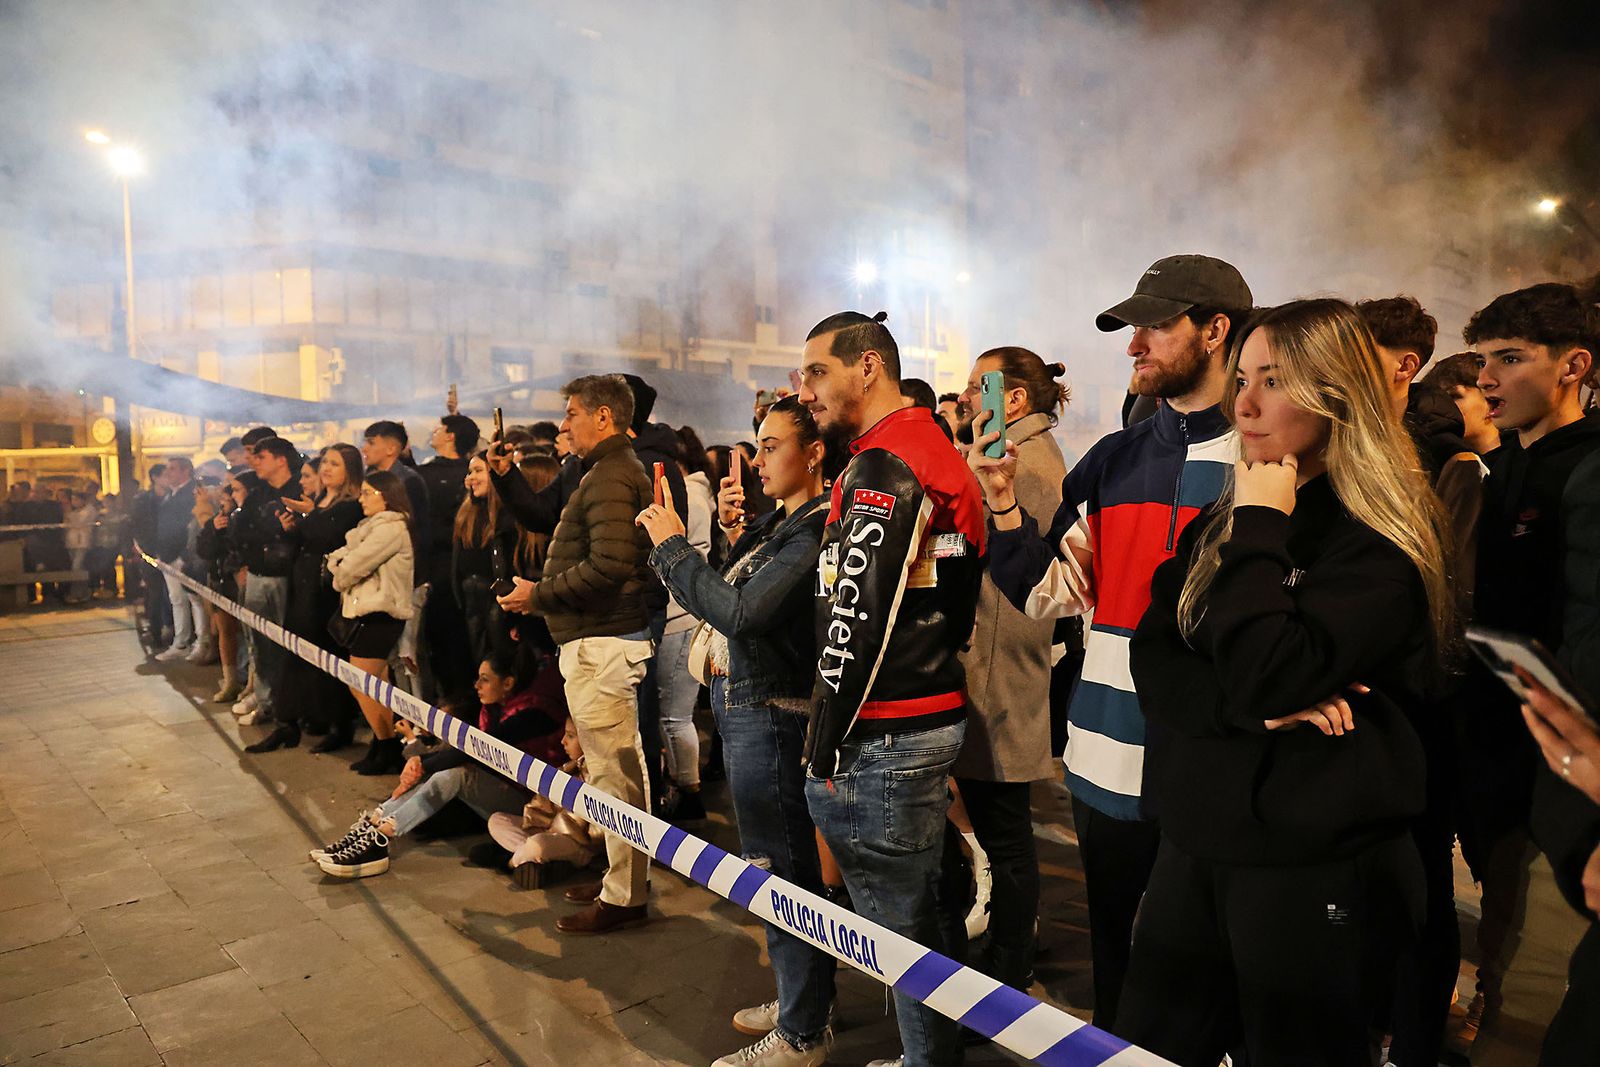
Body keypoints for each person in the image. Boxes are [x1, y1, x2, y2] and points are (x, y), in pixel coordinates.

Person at [1120, 298, 1454, 1063]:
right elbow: (1155, 656)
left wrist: (1262, 528)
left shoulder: (1380, 539)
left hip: (1312, 864)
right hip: (1195, 842)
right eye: (1242, 378)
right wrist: (1245, 709)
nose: (1243, 404)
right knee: (1148, 1047)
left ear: (1339, 394)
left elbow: (1266, 671)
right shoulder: (1227, 514)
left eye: (1273, 380)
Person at [977, 254, 1251, 1029]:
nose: (1134, 345)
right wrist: (1002, 503)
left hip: (1215, 767)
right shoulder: (1113, 459)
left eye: (1155, 326)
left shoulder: (1265, 458)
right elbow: (1047, 591)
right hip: (1101, 759)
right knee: (1117, 975)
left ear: (1215, 330)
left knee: (1208, 978)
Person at [797, 311, 985, 1067]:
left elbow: (856, 618)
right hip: (916, 712)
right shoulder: (917, 449)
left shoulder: (890, 462)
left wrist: (824, 740)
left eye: (817, 372)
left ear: (867, 366)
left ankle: (927, 1061)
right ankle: (931, 1055)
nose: (804, 391)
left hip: (884, 725)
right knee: (923, 917)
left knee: (902, 934)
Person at [640, 395, 837, 1067]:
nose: (758, 460)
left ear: (815, 453)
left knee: (782, 874)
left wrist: (673, 546)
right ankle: (803, 998)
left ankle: (803, 1032)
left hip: (772, 712)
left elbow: (742, 613)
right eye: (758, 446)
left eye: (772, 445)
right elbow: (733, 596)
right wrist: (732, 536)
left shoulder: (815, 529)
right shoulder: (783, 523)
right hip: (746, 705)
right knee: (775, 868)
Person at [1456, 282, 1600, 1037]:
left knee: (1533, 967)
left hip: (1554, 761)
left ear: (1573, 366)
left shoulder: (1588, 467)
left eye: (1509, 359)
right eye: (1483, 360)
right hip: (1491, 741)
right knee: (1500, 923)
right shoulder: (1507, 462)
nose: (1486, 379)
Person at [492, 374, 656, 935]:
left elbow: (609, 567)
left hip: (602, 644)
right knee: (615, 774)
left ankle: (625, 897)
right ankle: (622, 882)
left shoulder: (612, 475)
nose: (564, 425)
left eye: (572, 414)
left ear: (603, 416)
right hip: (597, 641)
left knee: (615, 777)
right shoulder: (604, 472)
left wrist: (536, 595)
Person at [948, 347, 1070, 991]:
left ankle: (1009, 965)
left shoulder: (1023, 462)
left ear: (1013, 398)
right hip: (997, 661)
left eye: (977, 386)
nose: (966, 397)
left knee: (1006, 836)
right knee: (1002, 831)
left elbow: (1011, 575)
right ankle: (1010, 950)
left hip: (998, 667)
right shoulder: (1018, 451)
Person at [314, 648, 567, 878]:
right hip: (502, 794)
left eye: (485, 679)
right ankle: (374, 823)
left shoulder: (532, 713)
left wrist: (422, 761)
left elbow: (479, 750)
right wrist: (421, 763)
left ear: (508, 683)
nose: (477, 685)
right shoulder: (493, 708)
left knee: (455, 774)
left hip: (535, 805)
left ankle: (382, 837)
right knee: (443, 770)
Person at [248, 447, 366, 754]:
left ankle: (338, 725)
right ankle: (287, 723)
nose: (326, 468)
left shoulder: (351, 506)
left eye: (335, 464)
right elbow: (306, 539)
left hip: (325, 591)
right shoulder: (320, 502)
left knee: (327, 656)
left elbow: (332, 538)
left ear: (350, 470)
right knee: (293, 655)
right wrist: (293, 528)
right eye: (325, 462)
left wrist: (307, 518)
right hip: (301, 584)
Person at [325, 470, 416, 775]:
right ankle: (382, 744)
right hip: (367, 614)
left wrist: (339, 573)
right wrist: (341, 566)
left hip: (381, 614)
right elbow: (340, 558)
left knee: (361, 683)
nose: (361, 499)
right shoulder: (369, 528)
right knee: (376, 684)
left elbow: (350, 567)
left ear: (386, 496)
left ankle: (387, 745)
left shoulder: (390, 529)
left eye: (367, 493)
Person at [653, 426, 714, 822]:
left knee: (675, 716)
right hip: (678, 614)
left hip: (681, 616)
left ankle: (690, 794)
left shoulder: (690, 496)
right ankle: (684, 786)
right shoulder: (692, 493)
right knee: (673, 715)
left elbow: (693, 558)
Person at [230, 438, 304, 727]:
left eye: (260, 456)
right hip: (258, 575)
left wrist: (285, 531)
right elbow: (241, 531)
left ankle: (290, 708)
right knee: (259, 644)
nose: (254, 462)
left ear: (280, 459)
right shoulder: (258, 493)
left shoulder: (299, 490)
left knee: (289, 646)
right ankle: (266, 702)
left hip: (288, 577)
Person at [454, 452, 552, 665]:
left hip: (520, 609)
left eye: (478, 471)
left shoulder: (514, 521)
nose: (470, 478)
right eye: (470, 472)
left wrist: (513, 618)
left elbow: (514, 570)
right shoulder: (467, 512)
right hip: (491, 604)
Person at [486, 718, 604, 889]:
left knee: (538, 845)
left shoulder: (601, 778)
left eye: (570, 736)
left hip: (578, 843)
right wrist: (537, 826)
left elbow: (596, 834)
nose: (563, 741)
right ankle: (541, 861)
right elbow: (542, 806)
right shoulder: (569, 768)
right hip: (550, 831)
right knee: (497, 820)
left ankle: (512, 862)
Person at [420, 413, 480, 698]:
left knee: (445, 638)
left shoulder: (429, 476)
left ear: (450, 436)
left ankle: (455, 700)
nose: (433, 431)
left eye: (439, 428)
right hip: (455, 568)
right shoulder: (432, 472)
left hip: (443, 567)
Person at [197, 467, 254, 703]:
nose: (225, 492)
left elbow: (243, 547)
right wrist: (214, 529)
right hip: (221, 579)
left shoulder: (246, 516)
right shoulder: (218, 517)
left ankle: (251, 685)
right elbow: (204, 550)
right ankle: (230, 681)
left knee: (250, 635)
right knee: (225, 630)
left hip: (240, 580)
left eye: (231, 488)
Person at [153, 459, 209, 663]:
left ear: (186, 471)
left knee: (196, 600)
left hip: (184, 557)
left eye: (173, 469)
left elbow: (194, 527)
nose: (168, 473)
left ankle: (202, 642)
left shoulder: (192, 494)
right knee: (177, 599)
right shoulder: (171, 494)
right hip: (168, 556)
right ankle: (181, 641)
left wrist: (184, 556)